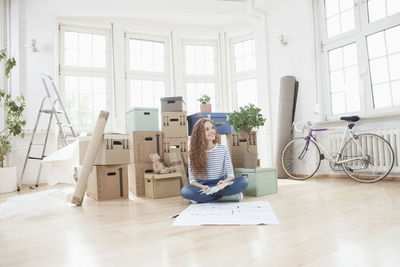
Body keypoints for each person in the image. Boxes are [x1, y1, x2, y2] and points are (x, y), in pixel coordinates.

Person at [180, 118, 248, 203]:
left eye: (212, 128)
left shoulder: (223, 149)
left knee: (244, 181)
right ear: (199, 134)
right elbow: (192, 180)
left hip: (220, 184)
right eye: (207, 129)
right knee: (185, 191)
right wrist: (202, 187)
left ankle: (204, 198)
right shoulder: (192, 153)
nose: (212, 131)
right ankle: (223, 197)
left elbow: (231, 175)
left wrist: (224, 182)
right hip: (203, 186)